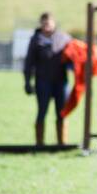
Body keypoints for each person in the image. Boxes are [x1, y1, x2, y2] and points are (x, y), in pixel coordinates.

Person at [23, 12, 71, 145]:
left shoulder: (64, 38)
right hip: (43, 82)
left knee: (62, 113)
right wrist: (27, 81)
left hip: (61, 82)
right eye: (43, 24)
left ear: (53, 23)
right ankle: (39, 143)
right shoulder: (35, 40)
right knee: (42, 112)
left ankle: (62, 143)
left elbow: (73, 56)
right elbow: (29, 62)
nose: (46, 27)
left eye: (48, 24)